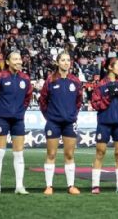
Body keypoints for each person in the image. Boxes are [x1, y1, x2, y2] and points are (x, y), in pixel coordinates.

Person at [0, 52, 33, 195]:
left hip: (18, 120)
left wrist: (20, 111)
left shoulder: (25, 79)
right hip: (2, 119)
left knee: (19, 154)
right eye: (15, 59)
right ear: (8, 62)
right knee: (0, 152)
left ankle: (19, 186)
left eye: (20, 59)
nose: (19, 61)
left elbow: (27, 98)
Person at [39, 52, 82, 195]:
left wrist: (72, 115)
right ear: (57, 63)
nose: (66, 62)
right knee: (51, 154)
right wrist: (50, 117)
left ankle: (71, 186)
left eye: (68, 60)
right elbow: (43, 101)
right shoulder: (50, 80)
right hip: (53, 123)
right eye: (63, 60)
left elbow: (79, 101)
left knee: (69, 154)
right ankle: (49, 186)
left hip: (69, 123)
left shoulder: (75, 81)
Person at [90, 58, 118, 194]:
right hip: (104, 123)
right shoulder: (100, 85)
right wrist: (108, 97)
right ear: (110, 67)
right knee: (100, 153)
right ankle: (95, 185)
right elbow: (95, 105)